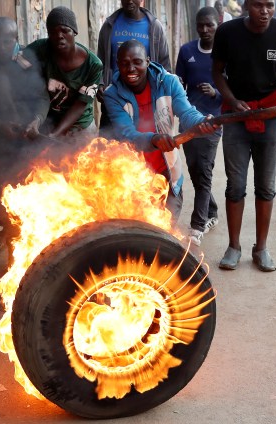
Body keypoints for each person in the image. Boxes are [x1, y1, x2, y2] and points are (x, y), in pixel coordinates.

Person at [211, 0, 276, 272]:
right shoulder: (227, 32)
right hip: (236, 117)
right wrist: (232, 99)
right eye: (258, 5)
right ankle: (234, 246)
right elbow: (217, 72)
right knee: (235, 185)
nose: (265, 12)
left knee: (266, 186)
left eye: (270, 6)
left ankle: (261, 248)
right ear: (246, 6)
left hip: (271, 116)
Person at [104, 40, 216, 228]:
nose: (131, 69)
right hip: (132, 179)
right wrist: (154, 138)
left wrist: (201, 122)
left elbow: (187, 113)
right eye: (124, 64)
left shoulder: (169, 82)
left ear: (147, 61)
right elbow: (127, 135)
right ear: (118, 65)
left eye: (137, 62)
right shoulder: (112, 95)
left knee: (165, 233)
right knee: (139, 238)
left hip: (168, 175)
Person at [0, 17, 50, 259]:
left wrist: (36, 120)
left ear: (16, 39)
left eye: (9, 41)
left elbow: (43, 98)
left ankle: (30, 241)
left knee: (31, 187)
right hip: (0, 135)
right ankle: (8, 230)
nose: (5, 46)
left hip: (30, 136)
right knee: (1, 190)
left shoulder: (29, 58)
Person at [175, 7, 223, 246]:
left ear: (218, 24)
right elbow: (177, 85)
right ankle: (212, 211)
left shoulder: (226, 54)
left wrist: (216, 93)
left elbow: (233, 92)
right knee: (195, 170)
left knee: (203, 171)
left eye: (210, 25)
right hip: (188, 122)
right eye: (201, 25)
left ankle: (197, 225)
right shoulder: (187, 51)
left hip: (213, 121)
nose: (205, 30)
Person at [26, 6, 102, 141]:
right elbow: (16, 70)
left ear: (74, 32)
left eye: (65, 30)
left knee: (85, 160)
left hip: (80, 127)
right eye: (53, 32)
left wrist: (55, 135)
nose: (59, 36)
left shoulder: (93, 65)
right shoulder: (39, 49)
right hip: (48, 122)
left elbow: (80, 104)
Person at [96, 0, 171, 136]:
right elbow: (100, 62)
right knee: (108, 148)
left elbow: (164, 64)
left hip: (145, 101)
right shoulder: (109, 26)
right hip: (114, 98)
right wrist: (100, 83)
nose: (129, 1)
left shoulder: (154, 27)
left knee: (143, 146)